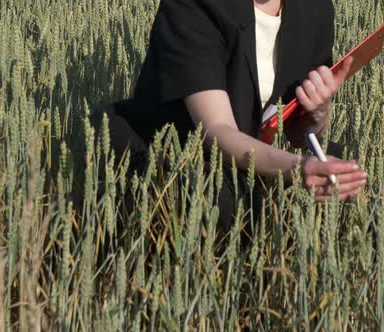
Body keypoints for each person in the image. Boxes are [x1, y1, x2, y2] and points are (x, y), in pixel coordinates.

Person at [91, 0, 368, 228]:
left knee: (353, 199)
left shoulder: (314, 9)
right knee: (228, 206)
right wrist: (297, 169)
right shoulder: (195, 6)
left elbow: (298, 133)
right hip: (170, 158)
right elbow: (217, 131)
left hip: (247, 158)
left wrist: (318, 111)